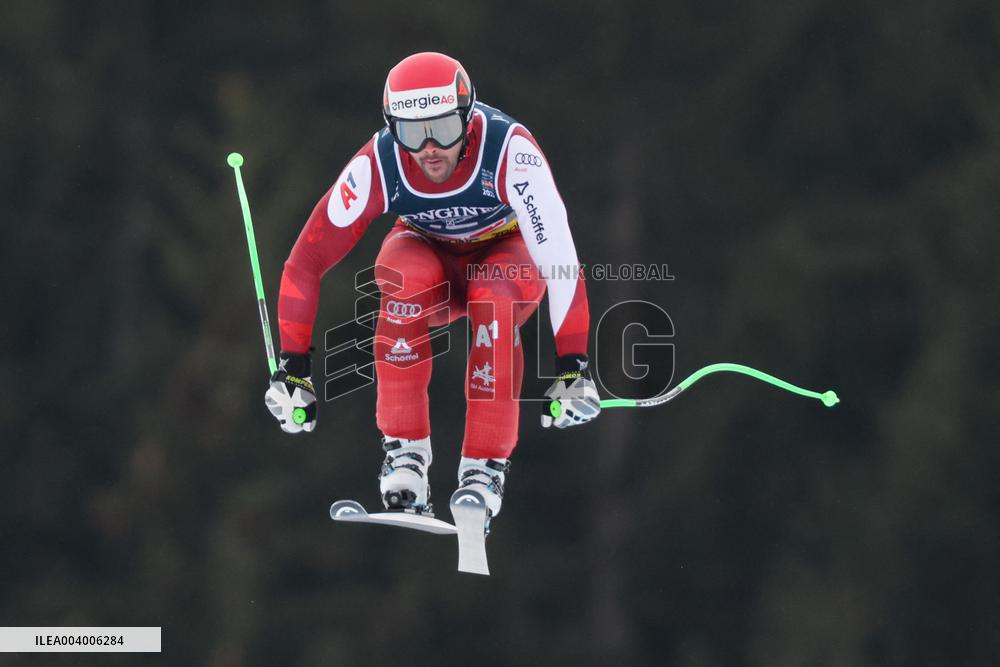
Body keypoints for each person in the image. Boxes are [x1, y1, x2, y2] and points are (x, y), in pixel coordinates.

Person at [264, 52, 600, 525]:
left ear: (468, 116)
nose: (428, 149)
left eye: (442, 128)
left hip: (506, 257)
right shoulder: (379, 163)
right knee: (404, 279)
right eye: (410, 131)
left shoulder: (511, 153)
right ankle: (405, 457)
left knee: (494, 296)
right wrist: (293, 368)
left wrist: (574, 365)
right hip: (429, 258)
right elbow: (306, 260)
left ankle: (484, 470)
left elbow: (560, 259)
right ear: (391, 127)